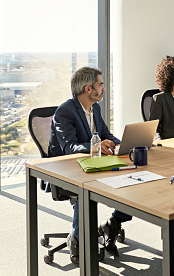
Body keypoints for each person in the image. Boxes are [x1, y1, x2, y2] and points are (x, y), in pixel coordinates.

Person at [48, 67, 131, 265]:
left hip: (93, 163)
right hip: (66, 170)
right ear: (88, 89)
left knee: (131, 181)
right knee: (83, 193)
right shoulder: (65, 111)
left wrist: (123, 145)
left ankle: (114, 223)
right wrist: (97, 146)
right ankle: (77, 238)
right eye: (100, 84)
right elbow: (69, 147)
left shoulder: (96, 108)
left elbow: (106, 135)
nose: (103, 88)